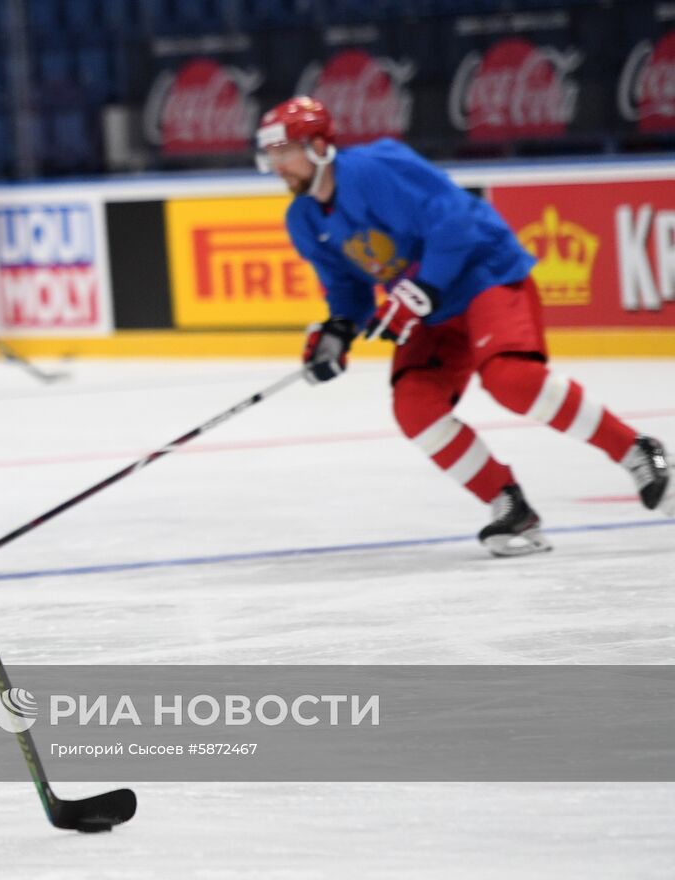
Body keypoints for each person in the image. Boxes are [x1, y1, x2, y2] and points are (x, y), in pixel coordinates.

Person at [257, 95, 672, 557]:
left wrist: (421, 288)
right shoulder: (303, 219)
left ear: (318, 145)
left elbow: (452, 219)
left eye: (284, 152)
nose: (277, 165)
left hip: (482, 276)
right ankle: (508, 505)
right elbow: (347, 291)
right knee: (415, 407)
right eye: (271, 155)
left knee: (512, 379)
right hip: (431, 311)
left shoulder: (375, 167)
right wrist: (334, 332)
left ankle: (637, 452)